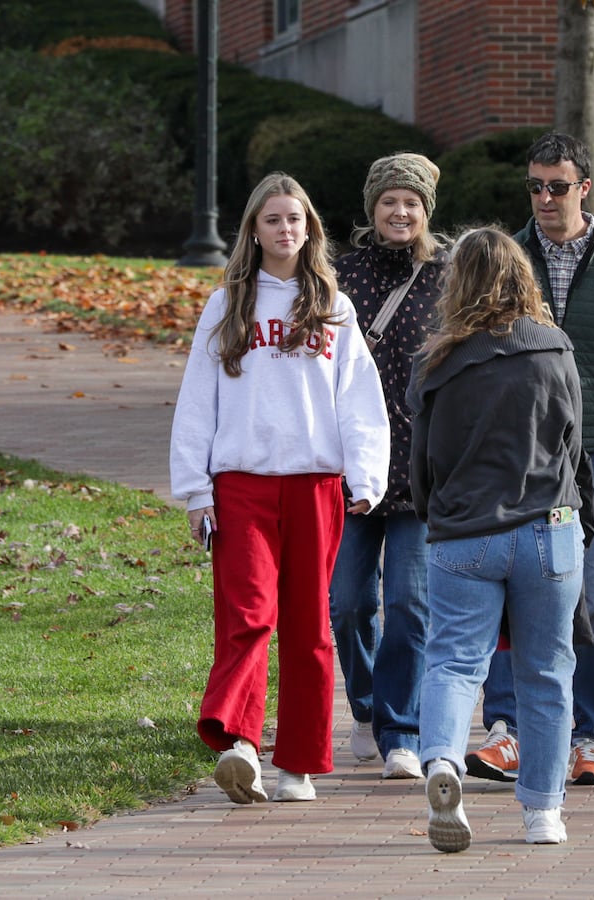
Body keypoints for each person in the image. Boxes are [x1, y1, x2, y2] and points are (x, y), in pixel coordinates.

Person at [466, 132, 594, 788]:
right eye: (535, 186)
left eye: (558, 185)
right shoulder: (506, 259)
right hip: (517, 455)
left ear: (585, 189)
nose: (545, 197)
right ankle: (507, 734)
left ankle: (589, 737)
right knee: (512, 596)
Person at [169, 172, 390, 804]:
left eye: (295, 219)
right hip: (240, 485)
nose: (285, 229)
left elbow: (358, 399)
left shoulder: (333, 306)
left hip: (316, 484)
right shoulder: (227, 304)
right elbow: (197, 400)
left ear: (309, 228)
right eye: (272, 220)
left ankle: (298, 764)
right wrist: (196, 488)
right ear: (253, 230)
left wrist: (367, 476)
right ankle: (239, 742)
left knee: (309, 629)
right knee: (248, 613)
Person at [409, 226, 587, 851]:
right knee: (546, 673)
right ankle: (543, 812)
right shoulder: (553, 349)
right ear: (522, 277)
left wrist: (437, 517)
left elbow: (422, 461)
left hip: (464, 531)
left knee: (454, 661)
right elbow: (572, 445)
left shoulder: (437, 362)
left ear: (458, 282)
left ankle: (441, 763)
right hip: (548, 528)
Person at [328, 152, 445, 780]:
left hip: (423, 469)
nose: (401, 212)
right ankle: (368, 703)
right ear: (372, 208)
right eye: (390, 201)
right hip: (352, 468)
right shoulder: (338, 275)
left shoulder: (449, 276)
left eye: (412, 202)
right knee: (347, 602)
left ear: (427, 210)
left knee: (410, 602)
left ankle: (402, 729)